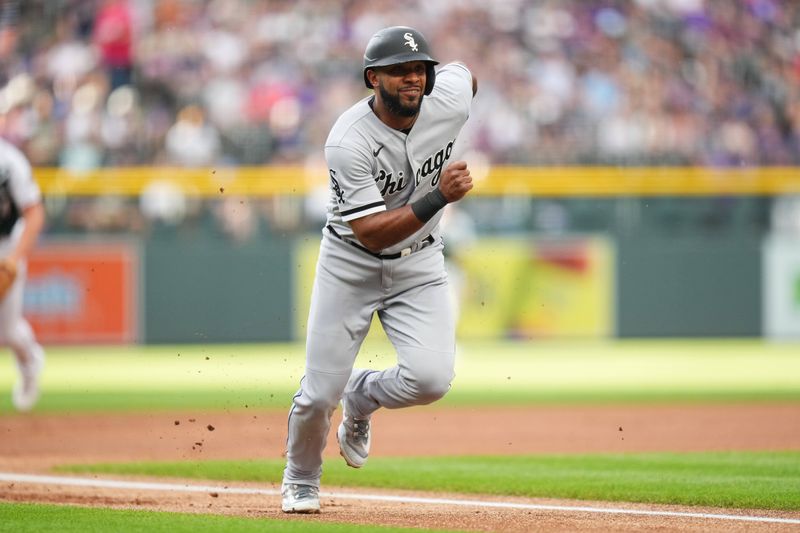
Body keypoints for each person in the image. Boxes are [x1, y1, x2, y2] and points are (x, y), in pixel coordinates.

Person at [281, 26, 478, 513]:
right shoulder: (347, 140)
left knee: (431, 379)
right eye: (398, 71)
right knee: (318, 393)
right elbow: (370, 231)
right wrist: (439, 196)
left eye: (419, 70)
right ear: (373, 78)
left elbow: (466, 78)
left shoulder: (447, 99)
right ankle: (301, 477)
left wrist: (454, 82)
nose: (412, 79)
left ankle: (363, 396)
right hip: (351, 263)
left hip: (421, 262)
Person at [0, 138, 46, 412]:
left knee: (7, 329)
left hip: (6, 247)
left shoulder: (9, 161)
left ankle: (29, 363)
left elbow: (35, 212)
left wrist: (15, 260)